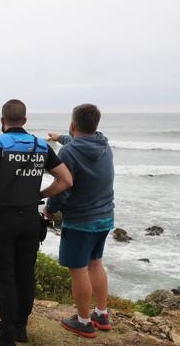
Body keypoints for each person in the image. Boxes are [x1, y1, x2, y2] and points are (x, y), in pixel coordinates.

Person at [0, 99, 73, 346]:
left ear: (2, 121)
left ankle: (5, 335)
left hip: (0, 221)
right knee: (25, 274)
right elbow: (66, 180)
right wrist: (40, 195)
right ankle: (20, 329)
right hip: (29, 220)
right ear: (25, 121)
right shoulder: (40, 145)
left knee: (4, 276)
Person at [45, 104, 115, 338]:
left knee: (79, 270)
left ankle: (84, 322)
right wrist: (61, 137)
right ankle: (101, 314)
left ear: (73, 125)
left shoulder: (68, 153)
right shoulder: (104, 144)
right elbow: (79, 143)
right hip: (105, 217)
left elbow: (63, 189)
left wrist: (49, 209)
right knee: (96, 263)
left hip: (80, 221)